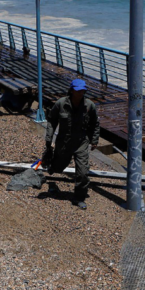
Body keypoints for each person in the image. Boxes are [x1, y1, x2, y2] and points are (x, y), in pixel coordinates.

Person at [43, 79, 100, 210]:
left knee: (83, 173)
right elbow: (51, 121)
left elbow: (95, 124)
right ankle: (51, 164)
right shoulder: (61, 104)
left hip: (81, 143)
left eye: (83, 90)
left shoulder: (89, 105)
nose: (81, 92)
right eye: (78, 90)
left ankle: (79, 198)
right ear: (72, 90)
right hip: (64, 142)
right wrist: (49, 139)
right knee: (57, 168)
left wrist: (94, 140)